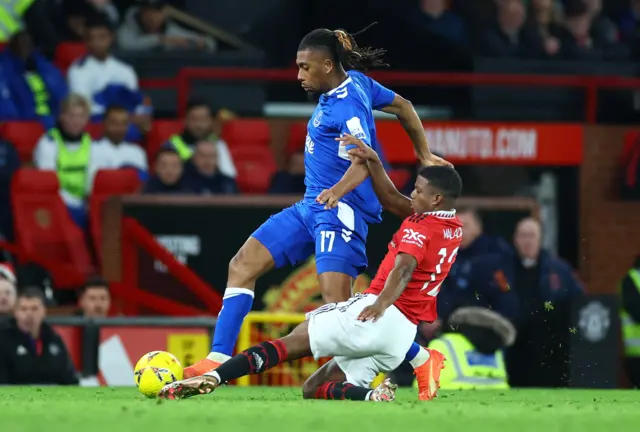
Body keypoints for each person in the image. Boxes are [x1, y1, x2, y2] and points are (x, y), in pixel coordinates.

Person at [184, 26, 451, 384]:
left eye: (305, 67)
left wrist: (339, 190)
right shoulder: (355, 82)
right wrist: (424, 154)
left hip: (341, 213)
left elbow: (365, 161)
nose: (298, 75)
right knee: (242, 264)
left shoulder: (349, 106)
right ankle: (216, 359)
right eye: (297, 66)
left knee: (336, 314)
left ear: (327, 65)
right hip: (311, 206)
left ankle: (417, 358)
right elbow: (403, 106)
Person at [159, 147, 463, 402]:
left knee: (289, 343)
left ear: (436, 200)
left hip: (378, 316)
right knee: (312, 389)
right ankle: (383, 388)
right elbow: (393, 201)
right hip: (400, 334)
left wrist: (381, 304)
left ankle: (215, 376)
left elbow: (405, 267)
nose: (412, 195)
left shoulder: (419, 227)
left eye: (418, 191)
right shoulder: (453, 228)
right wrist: (373, 162)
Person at [421, 307, 516, 390]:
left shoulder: (442, 343)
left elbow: (422, 385)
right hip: (497, 399)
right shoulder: (496, 346)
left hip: (450, 399)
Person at [0, 287, 79, 385]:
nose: (29, 314)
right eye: (23, 309)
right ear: (15, 313)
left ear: (43, 311)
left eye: (34, 309)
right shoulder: (3, 340)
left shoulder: (54, 339)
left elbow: (70, 381)